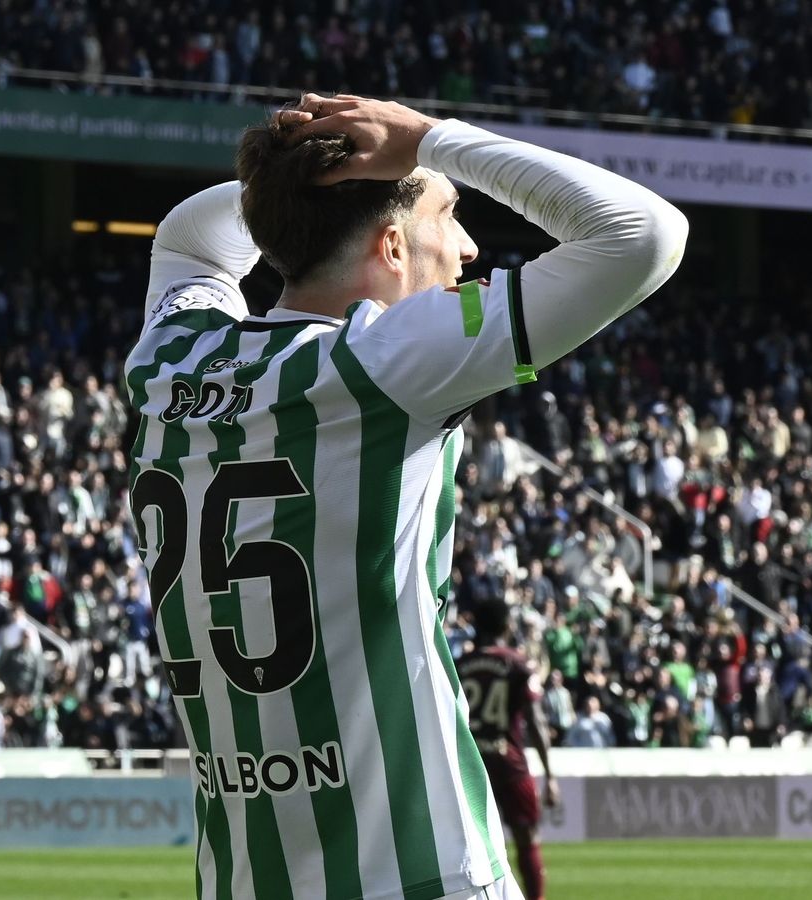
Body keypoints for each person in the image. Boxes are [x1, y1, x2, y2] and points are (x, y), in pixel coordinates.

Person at [126, 92, 684, 898]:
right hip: (421, 872)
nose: (468, 246)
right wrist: (430, 140)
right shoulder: (386, 359)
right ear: (392, 245)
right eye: (449, 213)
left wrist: (305, 179)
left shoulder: (170, 358)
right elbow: (644, 234)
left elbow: (190, 239)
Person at [457, 599, 560, 900]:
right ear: (506, 626)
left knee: (471, 844)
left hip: (471, 766)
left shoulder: (459, 666)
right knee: (527, 837)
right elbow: (536, 722)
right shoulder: (517, 664)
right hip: (510, 765)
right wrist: (550, 775)